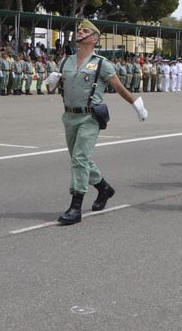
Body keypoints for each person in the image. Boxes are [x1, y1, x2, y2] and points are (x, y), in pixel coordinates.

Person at [49, 19, 149, 225]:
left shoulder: (102, 64)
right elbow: (53, 87)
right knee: (80, 159)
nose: (79, 32)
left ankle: (75, 207)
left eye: (84, 30)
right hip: (69, 116)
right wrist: (49, 83)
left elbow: (119, 87)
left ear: (94, 39)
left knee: (79, 158)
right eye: (79, 30)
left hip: (89, 117)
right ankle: (104, 188)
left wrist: (136, 104)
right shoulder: (66, 62)